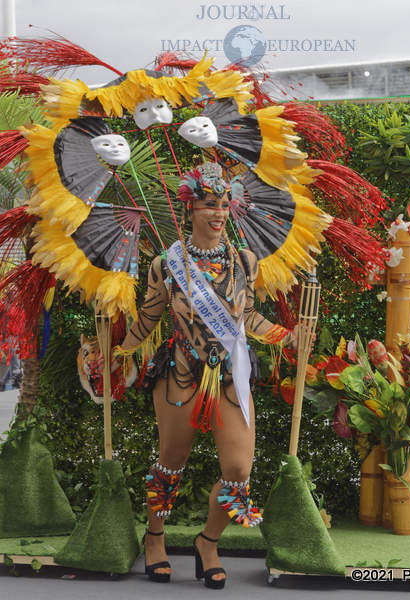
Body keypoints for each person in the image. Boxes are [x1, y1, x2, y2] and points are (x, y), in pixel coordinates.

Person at [114, 164, 296, 589]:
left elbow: (248, 316)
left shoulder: (244, 262)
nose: (219, 213)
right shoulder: (166, 264)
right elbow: (148, 318)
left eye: (224, 205)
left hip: (231, 377)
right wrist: (116, 349)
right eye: (210, 205)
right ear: (190, 208)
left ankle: (208, 541)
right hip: (180, 374)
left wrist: (287, 336)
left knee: (238, 469)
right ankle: (155, 537)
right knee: (171, 463)